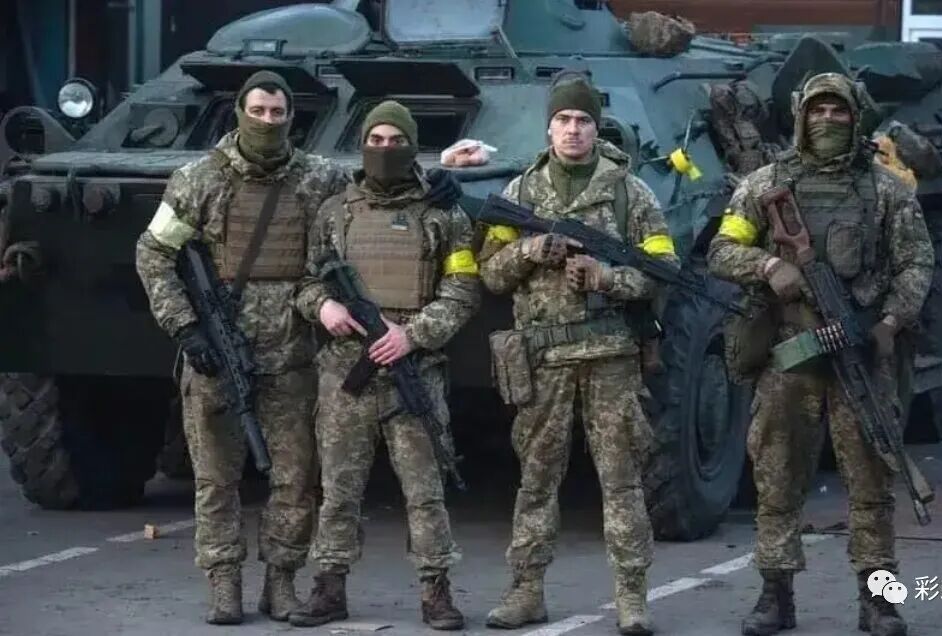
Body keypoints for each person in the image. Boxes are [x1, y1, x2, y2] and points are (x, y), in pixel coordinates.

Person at [707, 72, 934, 636]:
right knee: (777, 478)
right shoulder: (764, 184)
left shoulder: (887, 191)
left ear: (856, 117)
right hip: (791, 353)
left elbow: (916, 264)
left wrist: (890, 322)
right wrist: (767, 265)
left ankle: (878, 601)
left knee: (872, 481)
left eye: (838, 111)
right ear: (801, 117)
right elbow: (722, 249)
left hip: (862, 352)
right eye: (817, 110)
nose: (827, 119)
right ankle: (774, 596)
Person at [134, 71, 348, 625]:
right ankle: (224, 583)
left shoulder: (320, 179)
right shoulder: (198, 179)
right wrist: (185, 327)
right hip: (214, 358)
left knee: (295, 480)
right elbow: (154, 252)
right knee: (215, 480)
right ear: (239, 112)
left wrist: (448, 170)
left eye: (277, 113)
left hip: (292, 358)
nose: (267, 121)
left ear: (291, 116)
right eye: (258, 111)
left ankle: (281, 583)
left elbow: (375, 195)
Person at [477, 72, 678, 636]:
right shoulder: (519, 194)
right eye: (563, 120)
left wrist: (607, 278)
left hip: (610, 355)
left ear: (597, 128)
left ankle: (632, 598)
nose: (573, 130)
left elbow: (664, 270)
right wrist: (531, 251)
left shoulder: (630, 193)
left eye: (583, 120)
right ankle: (526, 591)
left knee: (622, 481)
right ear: (549, 128)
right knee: (536, 480)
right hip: (543, 358)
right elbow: (490, 273)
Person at [288, 100, 480, 631]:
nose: (385, 149)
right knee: (338, 491)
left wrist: (411, 336)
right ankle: (328, 587)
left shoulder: (444, 215)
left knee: (425, 492)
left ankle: (436, 590)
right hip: (345, 373)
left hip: (412, 371)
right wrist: (323, 308)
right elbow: (307, 280)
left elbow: (463, 290)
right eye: (376, 140)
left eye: (396, 141)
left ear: (413, 146)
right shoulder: (335, 212)